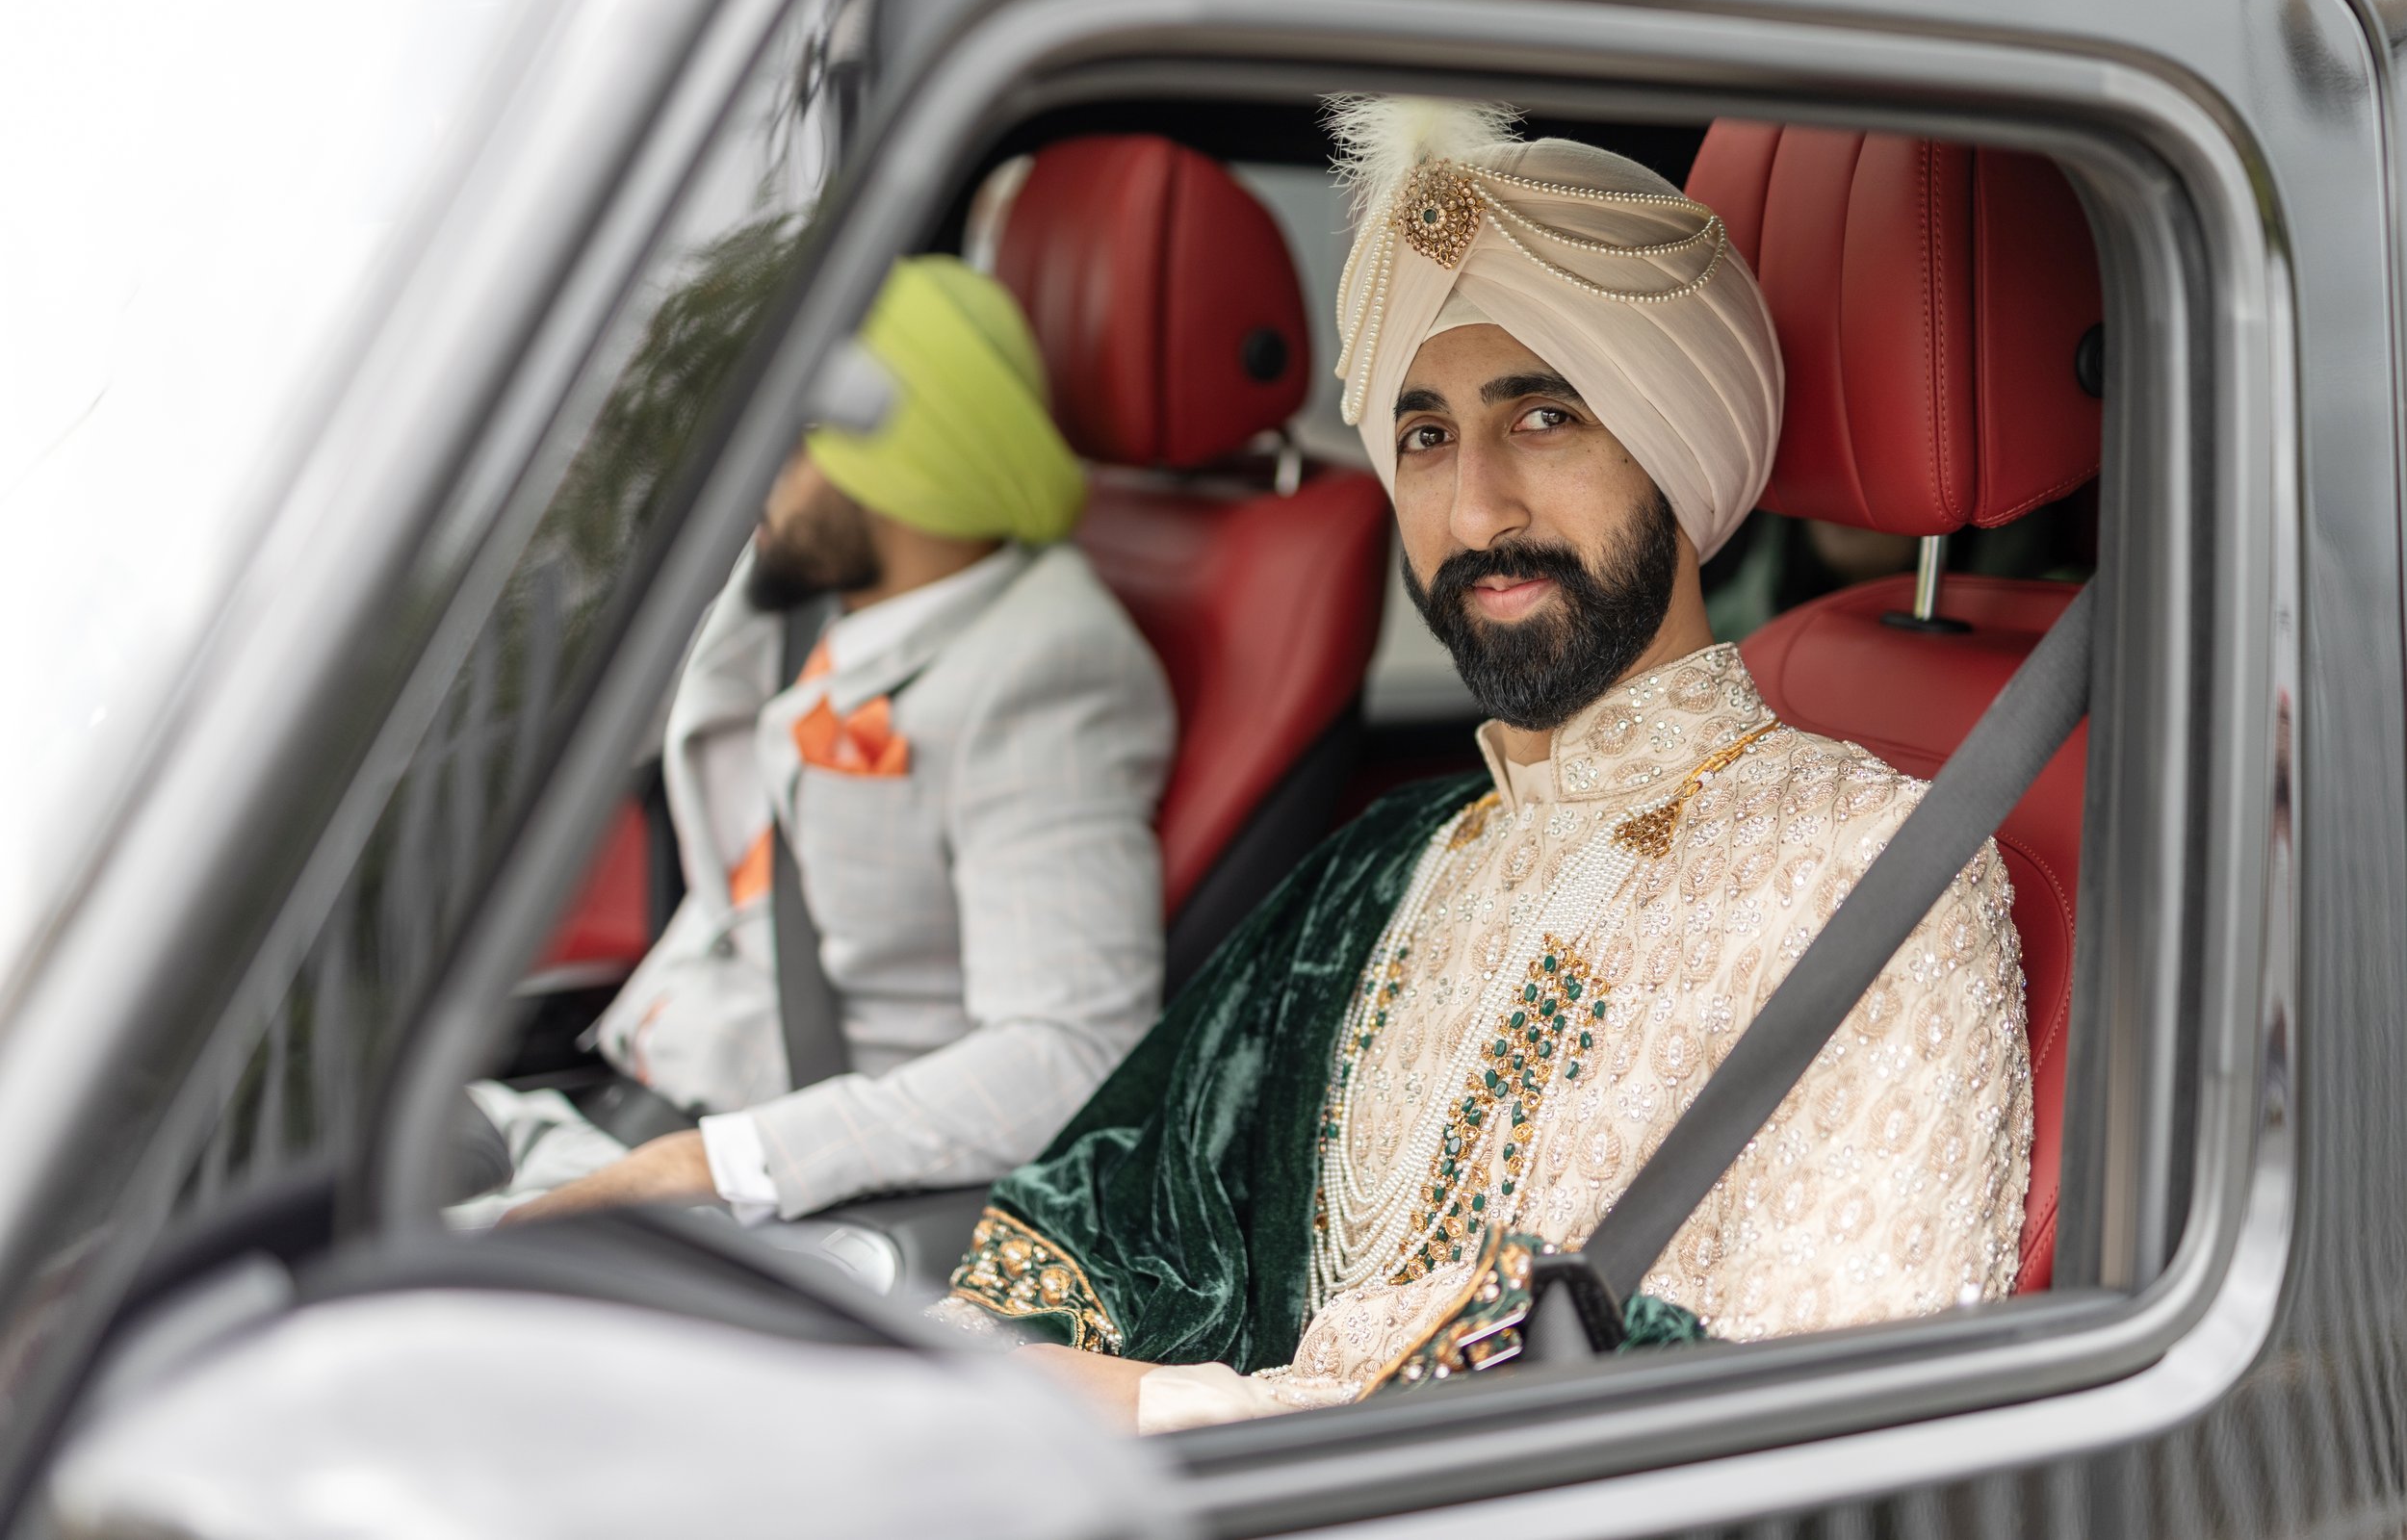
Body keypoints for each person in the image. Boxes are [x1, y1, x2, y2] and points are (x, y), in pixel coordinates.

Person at [933, 101, 2032, 1431]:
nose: (1476, 513)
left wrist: (1165, 1411)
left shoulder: (1875, 876)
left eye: (1547, 417)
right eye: (1427, 434)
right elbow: (1095, 1217)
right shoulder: (1387, 860)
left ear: (1675, 447)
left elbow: (1812, 1437)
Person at [469, 253, 1176, 1228]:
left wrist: (707, 1164)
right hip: (625, 1089)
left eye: (789, 435)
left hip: (778, 1179)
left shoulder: (1047, 667)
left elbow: (1067, 1049)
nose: (751, 467)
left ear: (906, 455)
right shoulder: (808, 591)